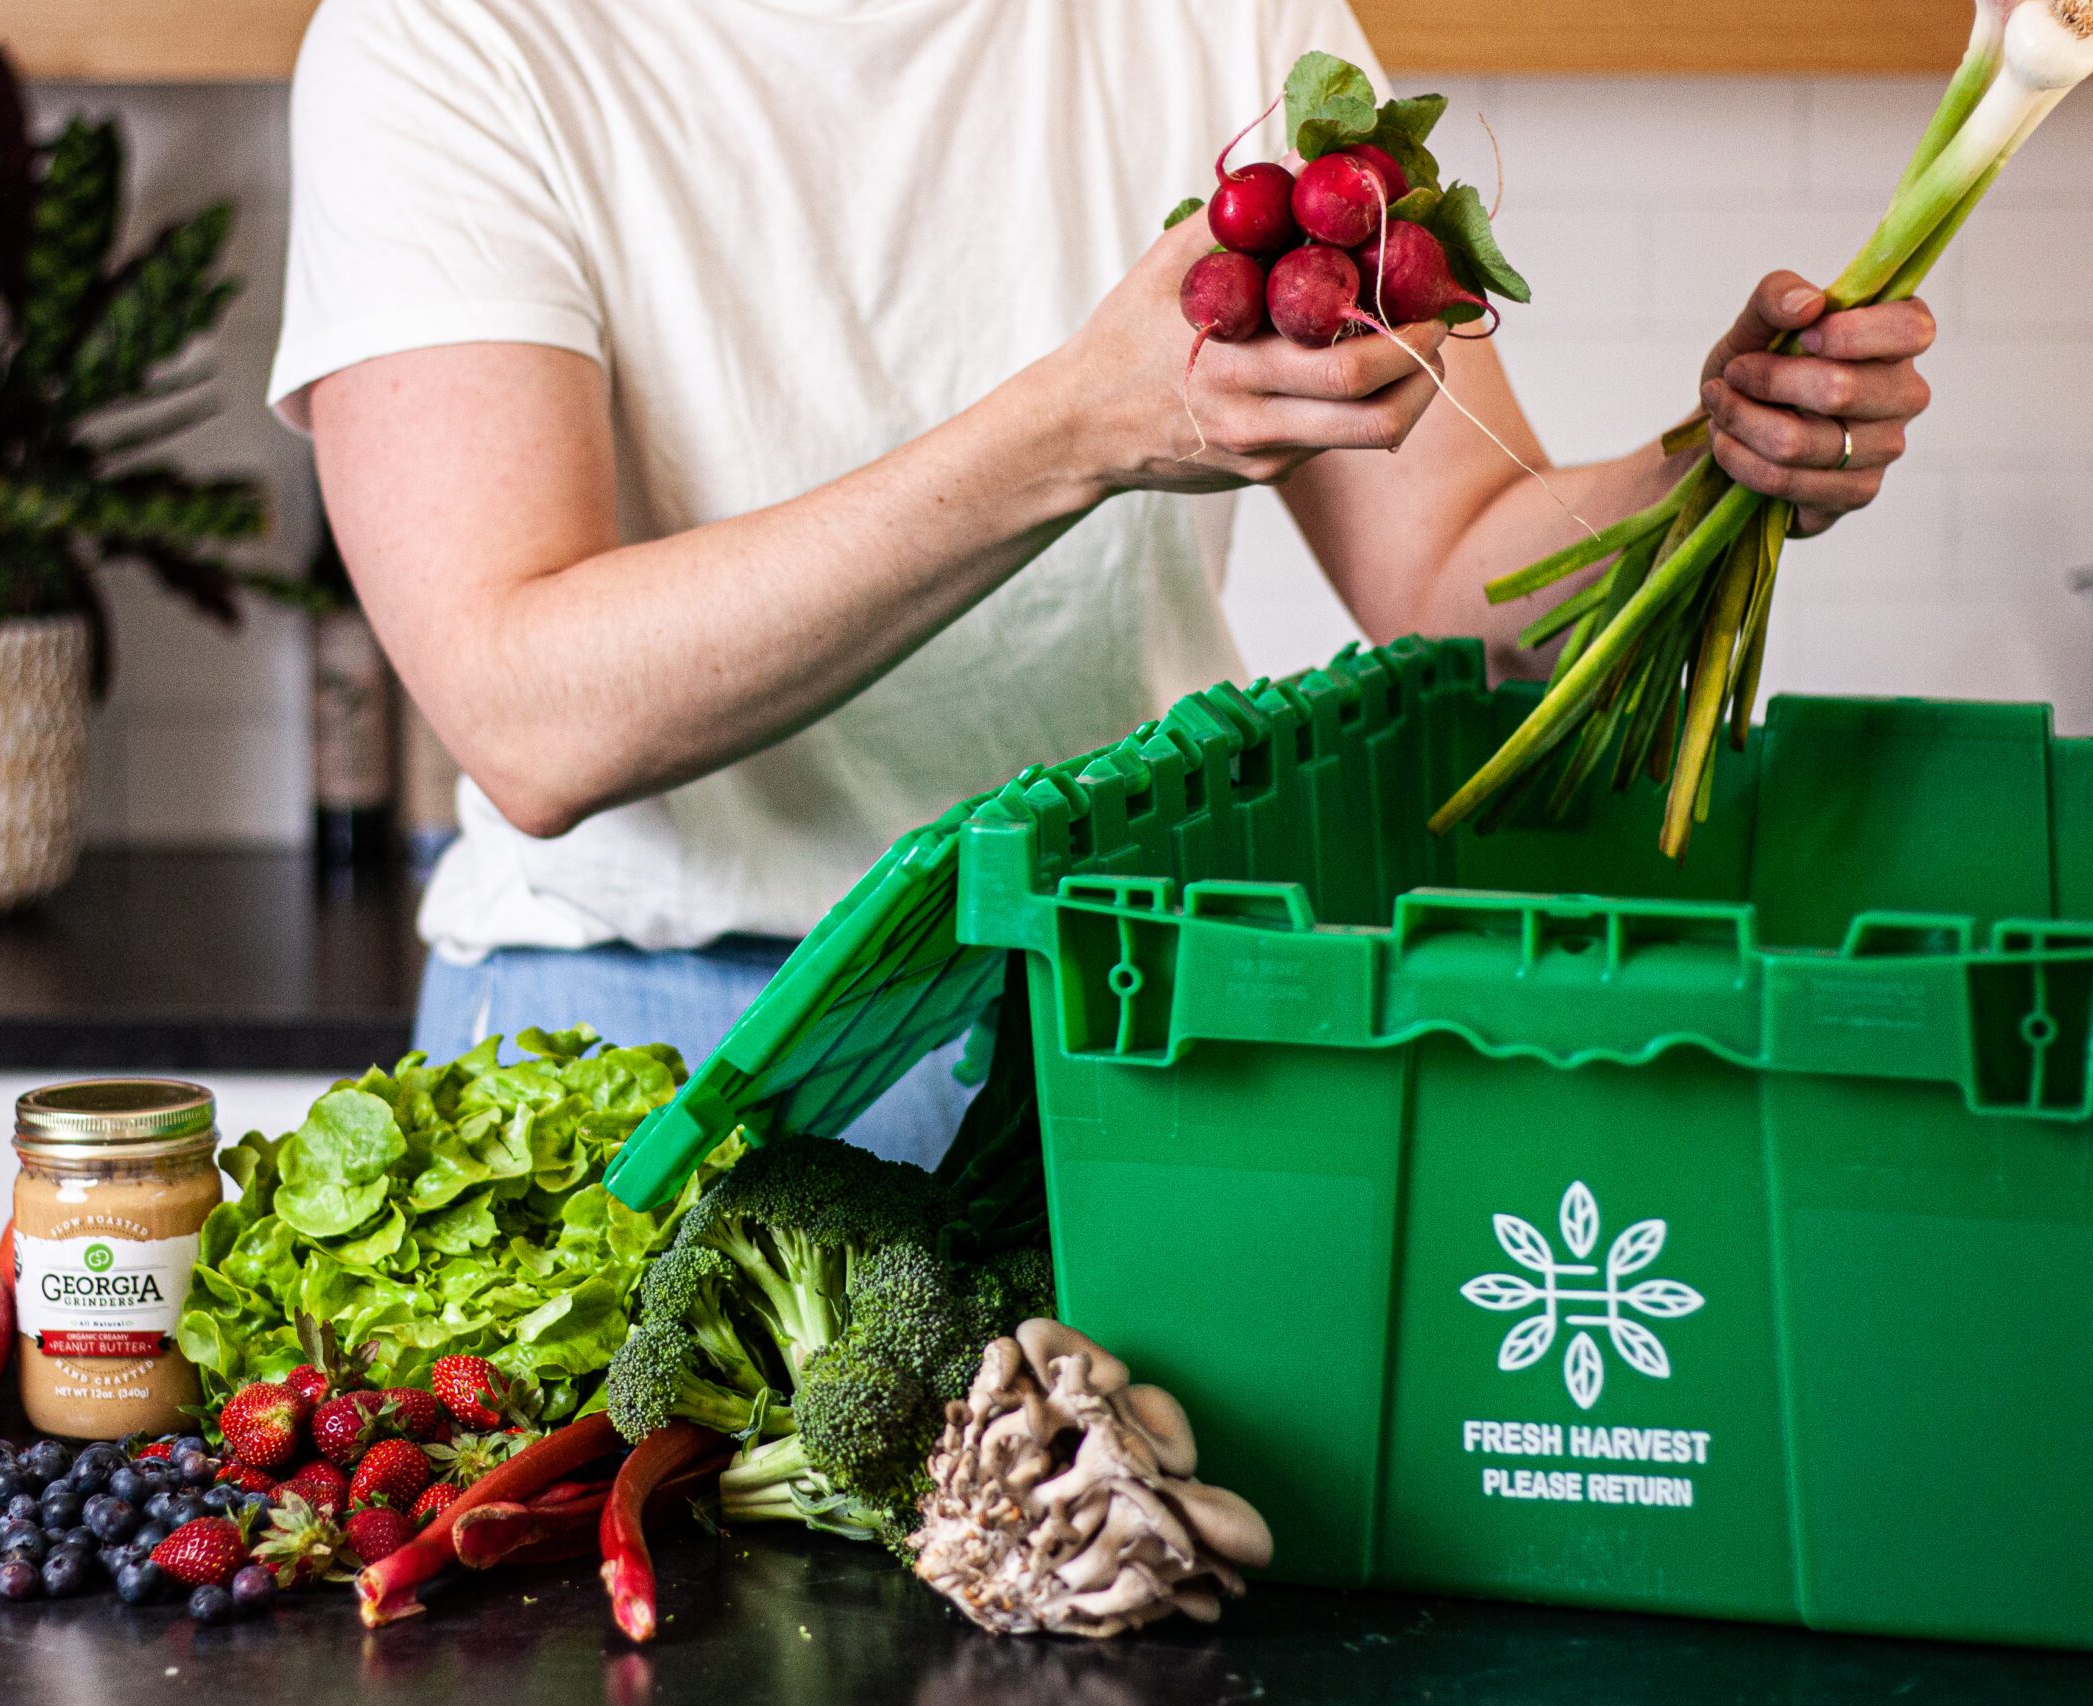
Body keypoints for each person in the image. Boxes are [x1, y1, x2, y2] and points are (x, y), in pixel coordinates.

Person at [271, 0, 1935, 1165]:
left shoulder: (1217, 15)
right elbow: (528, 711)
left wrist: (1710, 471)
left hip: (1105, 1007)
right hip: (636, 1044)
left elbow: (1454, 569)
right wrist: (1078, 427)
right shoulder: (444, 38)